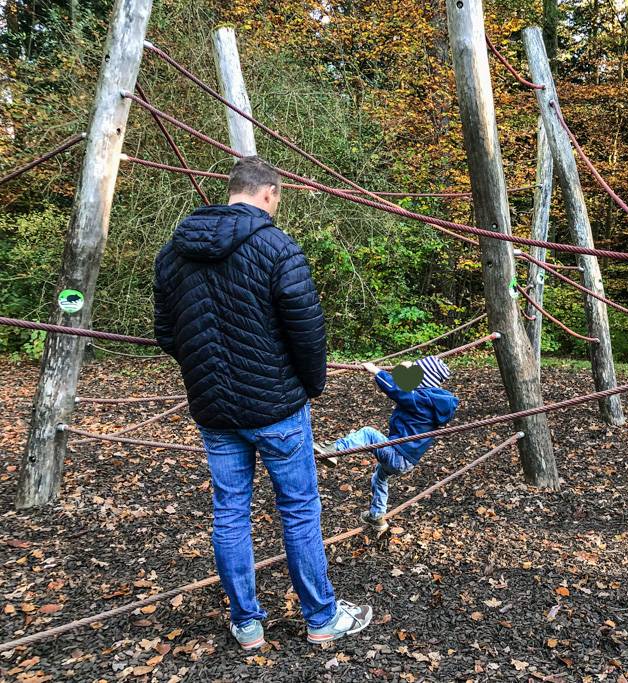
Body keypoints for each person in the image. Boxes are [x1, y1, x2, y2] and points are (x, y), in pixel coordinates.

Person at [153, 156, 372, 650]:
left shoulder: (173, 252)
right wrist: (309, 385)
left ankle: (246, 623)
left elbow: (168, 333)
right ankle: (321, 618)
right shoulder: (277, 247)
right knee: (298, 508)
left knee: (230, 510)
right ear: (269, 193)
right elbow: (308, 333)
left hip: (214, 410)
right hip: (277, 407)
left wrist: (209, 369)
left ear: (231, 190)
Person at [314, 356, 458, 534]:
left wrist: (376, 371)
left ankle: (333, 450)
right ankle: (377, 516)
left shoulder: (420, 400)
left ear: (424, 380)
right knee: (380, 476)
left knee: (368, 433)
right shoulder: (433, 402)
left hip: (397, 454)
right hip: (407, 462)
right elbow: (404, 386)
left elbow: (397, 390)